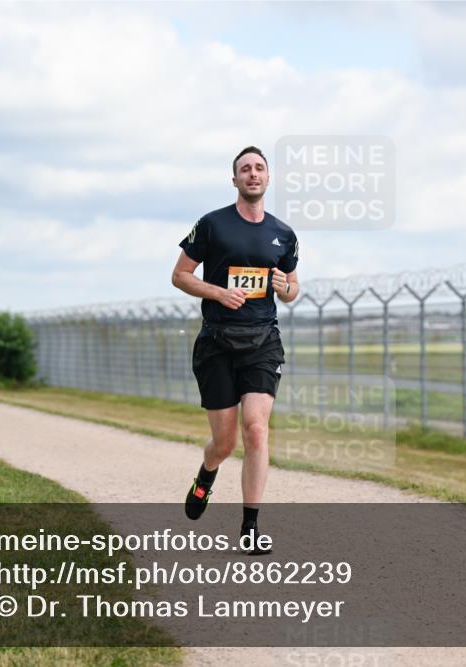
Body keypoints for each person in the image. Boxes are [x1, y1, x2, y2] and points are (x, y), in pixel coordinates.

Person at [171, 146, 300, 555]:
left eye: (259, 168)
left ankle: (250, 525)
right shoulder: (212, 225)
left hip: (262, 342)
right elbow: (180, 275)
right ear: (235, 180)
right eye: (245, 169)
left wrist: (286, 289)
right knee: (224, 443)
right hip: (217, 344)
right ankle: (207, 473)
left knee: (257, 429)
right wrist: (218, 293)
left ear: (268, 178)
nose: (253, 174)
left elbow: (293, 289)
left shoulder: (283, 233)